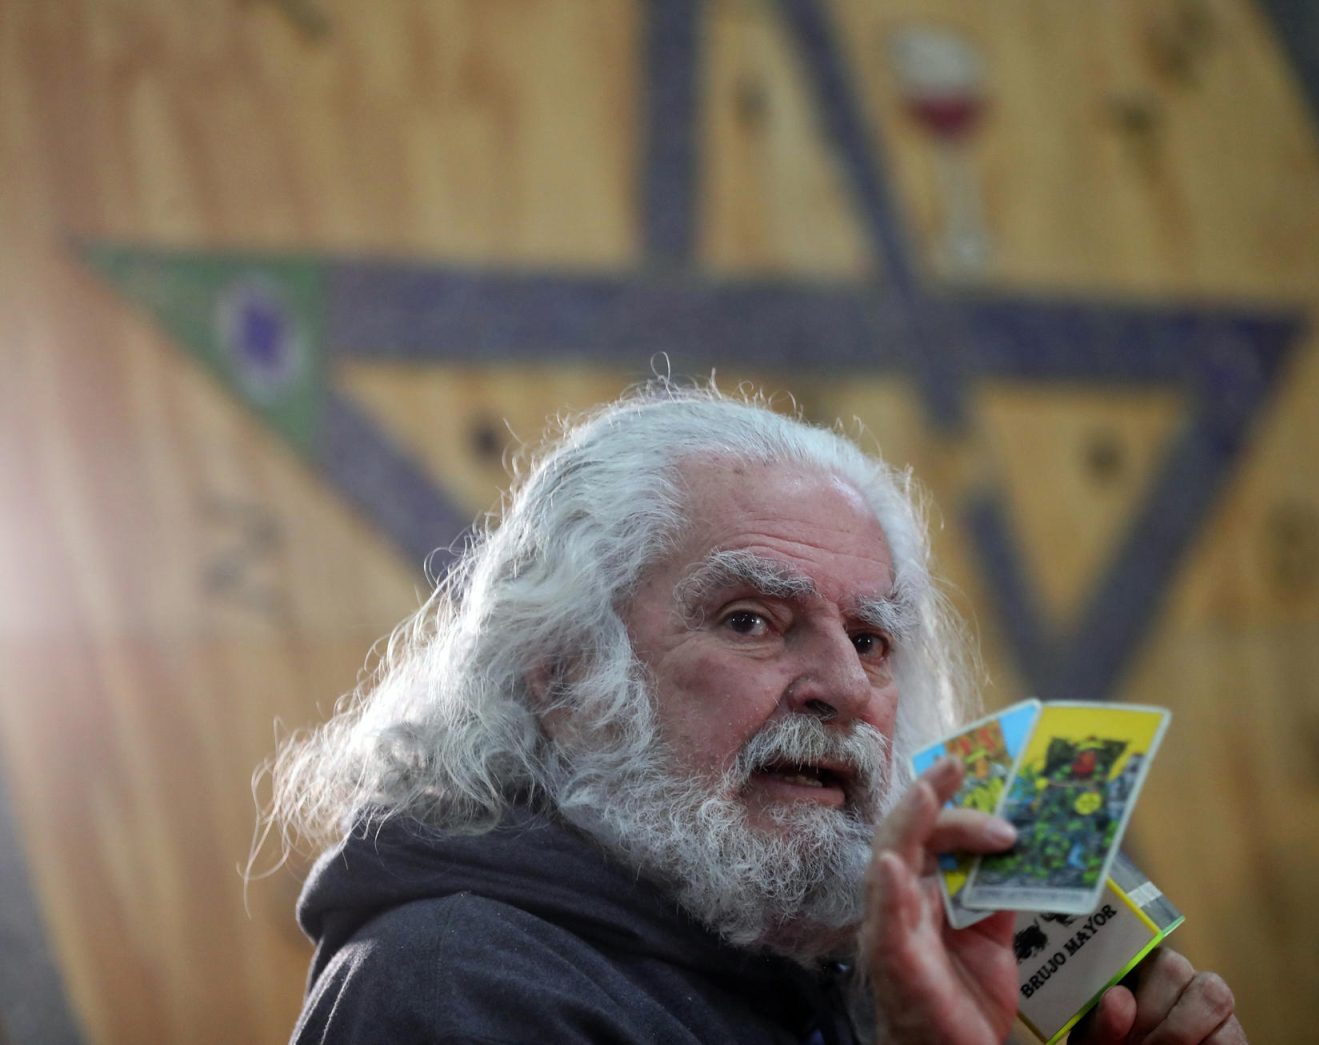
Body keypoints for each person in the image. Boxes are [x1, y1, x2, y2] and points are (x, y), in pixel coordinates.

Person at [261, 387, 1244, 1044]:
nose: (845, 687)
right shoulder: (453, 987)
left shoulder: (858, 969)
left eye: (871, 637)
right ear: (565, 680)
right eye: (752, 620)